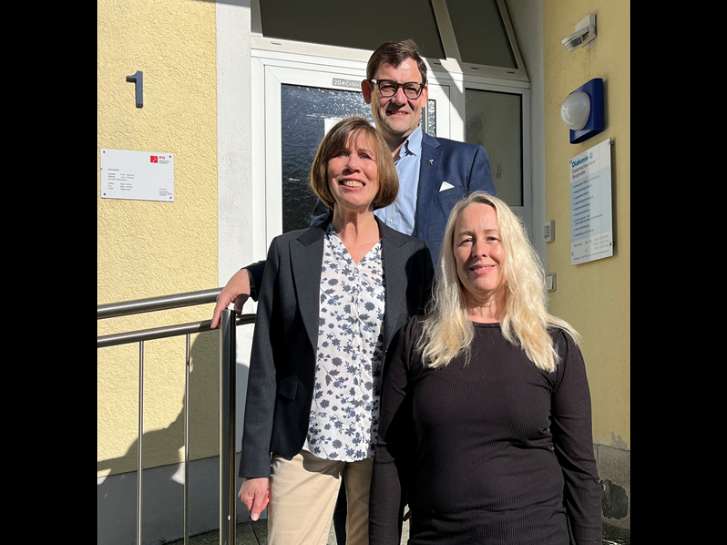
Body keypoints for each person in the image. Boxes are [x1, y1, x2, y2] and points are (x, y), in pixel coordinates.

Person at [238, 116, 434, 545]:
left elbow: (424, 359)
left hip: (381, 445)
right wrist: (254, 464)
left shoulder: (410, 257)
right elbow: (266, 362)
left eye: (365, 156)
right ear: (325, 169)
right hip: (305, 441)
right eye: (340, 155)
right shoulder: (289, 251)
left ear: (382, 173)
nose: (352, 166)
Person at [211, 38, 495, 328]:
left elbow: (492, 244)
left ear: (423, 96)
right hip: (365, 323)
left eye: (411, 88)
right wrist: (257, 276)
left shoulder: (465, 162)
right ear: (367, 91)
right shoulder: (347, 170)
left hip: (441, 326)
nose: (400, 99)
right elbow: (316, 242)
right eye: (387, 87)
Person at [369, 192, 602, 545]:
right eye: (466, 240)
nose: (479, 251)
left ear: (513, 250)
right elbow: (390, 456)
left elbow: (581, 470)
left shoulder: (553, 345)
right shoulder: (417, 341)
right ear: (451, 256)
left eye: (492, 238)